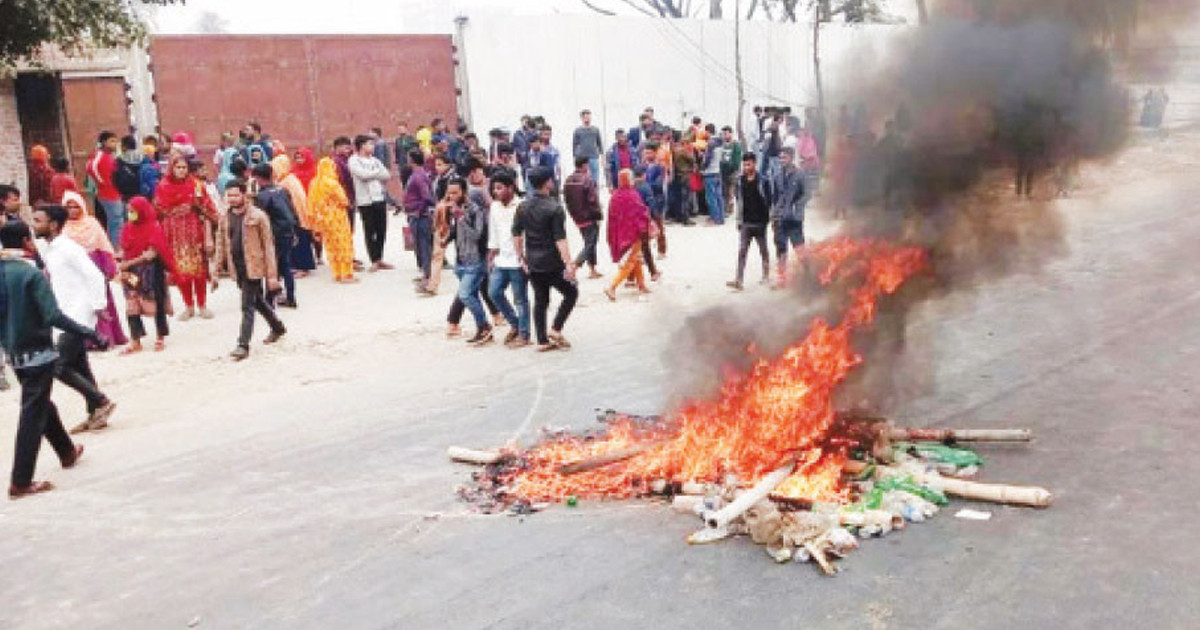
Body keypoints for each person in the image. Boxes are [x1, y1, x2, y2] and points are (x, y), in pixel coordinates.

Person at [0, 220, 98, 499]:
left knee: (40, 401)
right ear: (26, 242)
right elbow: (52, 315)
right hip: (38, 350)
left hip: (14, 353)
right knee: (32, 412)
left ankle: (66, 450)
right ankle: (20, 480)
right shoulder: (29, 274)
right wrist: (87, 331)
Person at [31, 205, 118, 434]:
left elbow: (94, 275)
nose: (34, 224)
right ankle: (94, 414)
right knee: (80, 365)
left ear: (53, 225)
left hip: (78, 314)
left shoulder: (69, 248)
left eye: (38, 220)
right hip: (64, 313)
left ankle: (100, 400)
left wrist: (99, 306)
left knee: (58, 366)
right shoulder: (49, 249)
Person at [213, 180, 286, 361]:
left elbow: (268, 246)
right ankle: (277, 327)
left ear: (244, 195)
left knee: (247, 306)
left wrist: (271, 276)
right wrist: (215, 271)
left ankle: (242, 344)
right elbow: (221, 245)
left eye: (235, 195)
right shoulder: (225, 217)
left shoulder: (258, 216)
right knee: (257, 301)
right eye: (229, 195)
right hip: (236, 268)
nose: (232, 199)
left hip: (253, 267)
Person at [513, 167, 578, 352]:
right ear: (548, 182)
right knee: (571, 292)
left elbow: (516, 234)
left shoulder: (523, 206)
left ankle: (542, 339)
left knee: (540, 300)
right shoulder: (555, 208)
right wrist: (569, 263)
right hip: (552, 261)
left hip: (533, 261)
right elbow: (560, 238)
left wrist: (521, 257)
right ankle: (556, 328)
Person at [155, 156, 219, 320]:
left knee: (199, 270)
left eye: (184, 167)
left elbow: (207, 205)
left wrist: (214, 221)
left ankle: (202, 305)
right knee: (181, 271)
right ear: (172, 168)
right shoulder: (163, 186)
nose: (182, 170)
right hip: (173, 233)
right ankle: (188, 306)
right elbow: (158, 211)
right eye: (178, 167)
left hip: (194, 231)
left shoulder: (196, 184)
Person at [62, 192, 127, 348]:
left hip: (96, 266)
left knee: (101, 301)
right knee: (81, 303)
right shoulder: (63, 227)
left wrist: (109, 269)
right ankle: (87, 341)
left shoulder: (92, 223)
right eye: (69, 207)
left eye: (76, 206)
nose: (73, 210)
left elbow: (103, 246)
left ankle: (107, 337)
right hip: (75, 270)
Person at [118, 197, 174, 354]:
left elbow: (152, 253)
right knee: (131, 304)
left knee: (157, 302)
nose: (130, 214)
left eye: (133, 211)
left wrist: (128, 263)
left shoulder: (154, 227)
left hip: (150, 271)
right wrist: (121, 262)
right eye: (128, 211)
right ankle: (135, 340)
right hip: (131, 273)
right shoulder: (127, 228)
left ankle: (160, 336)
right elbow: (123, 247)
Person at [487, 172, 530, 348]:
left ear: (511, 188)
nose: (496, 192)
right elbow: (494, 230)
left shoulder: (521, 206)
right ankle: (515, 323)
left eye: (500, 188)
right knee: (494, 292)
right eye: (494, 188)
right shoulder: (495, 207)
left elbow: (526, 233)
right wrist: (492, 251)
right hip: (501, 258)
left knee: (520, 299)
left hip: (518, 260)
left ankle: (524, 334)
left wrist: (526, 257)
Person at [251, 163, 298, 308]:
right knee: (286, 265)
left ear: (258, 178)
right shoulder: (282, 190)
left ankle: (269, 300)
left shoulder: (262, 196)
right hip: (288, 231)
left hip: (274, 234)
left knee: (272, 267)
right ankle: (290, 297)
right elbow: (292, 210)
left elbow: (260, 218)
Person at [451, 185, 493, 345]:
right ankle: (482, 327)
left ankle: (484, 326)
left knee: (465, 294)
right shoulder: (457, 209)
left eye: (455, 193)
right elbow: (457, 233)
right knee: (472, 295)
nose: (452, 196)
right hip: (462, 259)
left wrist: (462, 219)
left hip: (475, 259)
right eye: (450, 193)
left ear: (464, 193)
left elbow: (477, 235)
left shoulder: (477, 211)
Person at [307, 157, 358, 284]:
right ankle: (346, 274)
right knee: (343, 244)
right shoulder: (332, 183)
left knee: (331, 246)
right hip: (337, 217)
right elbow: (343, 200)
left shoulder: (314, 183)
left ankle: (336, 273)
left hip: (323, 218)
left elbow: (311, 203)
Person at [603, 169, 652, 301]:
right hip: (633, 233)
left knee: (635, 257)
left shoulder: (615, 196)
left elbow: (612, 217)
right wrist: (647, 225)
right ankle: (612, 287)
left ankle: (641, 284)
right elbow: (641, 213)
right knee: (630, 260)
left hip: (620, 232)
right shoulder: (633, 195)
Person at [727, 152, 773, 291]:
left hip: (760, 222)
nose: (746, 167)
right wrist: (739, 220)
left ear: (754, 164)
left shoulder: (763, 181)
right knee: (742, 251)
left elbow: (769, 200)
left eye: (749, 164)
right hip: (746, 222)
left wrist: (767, 217)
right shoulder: (740, 181)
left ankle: (766, 274)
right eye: (744, 164)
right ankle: (739, 280)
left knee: (763, 250)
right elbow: (738, 200)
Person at [347, 135, 392, 272]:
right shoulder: (354, 160)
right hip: (365, 201)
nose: (372, 147)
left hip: (379, 198)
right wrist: (375, 173)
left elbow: (386, 175)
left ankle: (380, 258)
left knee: (381, 230)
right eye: (369, 144)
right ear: (361, 146)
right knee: (370, 230)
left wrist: (372, 173)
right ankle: (373, 259)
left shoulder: (375, 160)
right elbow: (362, 175)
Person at [271, 155, 316, 278]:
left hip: (296, 215)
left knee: (300, 242)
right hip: (293, 215)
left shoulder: (288, 181)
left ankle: (303, 267)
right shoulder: (287, 179)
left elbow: (295, 200)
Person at [562, 156, 604, 279]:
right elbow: (593, 200)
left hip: (577, 217)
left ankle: (592, 270)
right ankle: (575, 265)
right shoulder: (587, 180)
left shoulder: (568, 180)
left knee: (588, 242)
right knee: (590, 243)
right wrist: (598, 215)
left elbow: (566, 200)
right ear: (585, 165)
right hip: (589, 217)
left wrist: (573, 215)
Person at [770, 148, 806, 284]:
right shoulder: (777, 176)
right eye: (780, 158)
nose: (781, 160)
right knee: (781, 248)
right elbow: (775, 197)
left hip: (794, 219)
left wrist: (797, 210)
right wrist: (774, 214)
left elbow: (805, 195)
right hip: (779, 218)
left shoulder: (800, 175)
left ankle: (809, 274)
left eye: (784, 158)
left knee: (799, 247)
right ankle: (782, 278)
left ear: (791, 158)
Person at [404, 151, 437, 288]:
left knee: (423, 246)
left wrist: (418, 211)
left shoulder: (418, 176)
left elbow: (427, 197)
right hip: (416, 213)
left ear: (411, 160)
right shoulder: (419, 175)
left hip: (419, 216)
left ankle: (427, 276)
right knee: (420, 245)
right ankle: (425, 272)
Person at [87, 131, 124, 246]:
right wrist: (103, 183)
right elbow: (91, 168)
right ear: (104, 142)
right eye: (112, 141)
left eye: (116, 141)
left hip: (114, 193)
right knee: (116, 223)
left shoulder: (110, 156)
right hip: (109, 195)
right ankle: (116, 247)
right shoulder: (100, 156)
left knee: (117, 222)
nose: (115, 144)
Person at [700, 124, 725, 225]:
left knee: (711, 197)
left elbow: (708, 159)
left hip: (709, 172)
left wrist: (703, 168)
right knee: (718, 196)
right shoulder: (720, 142)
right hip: (717, 171)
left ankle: (715, 218)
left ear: (707, 131)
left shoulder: (711, 143)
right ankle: (721, 218)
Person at [573, 110, 605, 185]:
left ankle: (595, 193)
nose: (587, 119)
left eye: (589, 117)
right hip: (582, 157)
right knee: (582, 176)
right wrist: (575, 157)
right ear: (582, 118)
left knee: (594, 177)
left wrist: (602, 156)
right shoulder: (577, 130)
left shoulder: (595, 129)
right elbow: (575, 144)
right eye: (585, 117)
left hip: (593, 156)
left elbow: (599, 143)